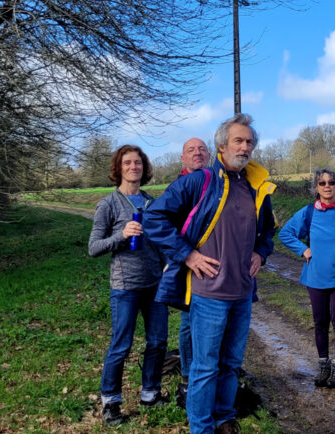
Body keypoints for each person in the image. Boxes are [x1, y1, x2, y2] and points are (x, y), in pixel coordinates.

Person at [144, 114, 276, 434]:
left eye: (249, 142)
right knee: (204, 366)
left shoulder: (257, 187)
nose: (244, 147)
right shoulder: (198, 181)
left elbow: (268, 231)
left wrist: (260, 253)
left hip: (242, 292)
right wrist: (187, 254)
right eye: (238, 141)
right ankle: (201, 428)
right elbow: (154, 219)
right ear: (221, 145)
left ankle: (223, 417)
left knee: (231, 364)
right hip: (208, 293)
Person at [88, 145, 169, 426]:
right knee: (121, 345)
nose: (133, 167)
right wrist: (122, 235)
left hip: (155, 285)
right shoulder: (108, 204)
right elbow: (93, 248)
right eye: (127, 163)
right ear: (119, 168)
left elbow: (161, 242)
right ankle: (111, 402)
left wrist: (167, 265)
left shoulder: (152, 203)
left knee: (158, 342)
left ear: (144, 168)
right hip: (125, 286)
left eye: (138, 162)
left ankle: (150, 394)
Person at [278, 168, 335, 389]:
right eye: (322, 183)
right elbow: (285, 233)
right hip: (315, 278)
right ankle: (324, 367)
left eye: (331, 182)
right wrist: (302, 249)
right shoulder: (308, 213)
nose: (327, 186)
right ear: (316, 188)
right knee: (320, 323)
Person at [174, 137, 212, 409]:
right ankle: (188, 375)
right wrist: (186, 254)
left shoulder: (217, 184)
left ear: (208, 155)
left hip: (215, 264)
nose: (197, 153)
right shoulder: (178, 187)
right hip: (187, 265)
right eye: (191, 150)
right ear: (183, 158)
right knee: (189, 322)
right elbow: (165, 226)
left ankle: (217, 372)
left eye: (201, 149)